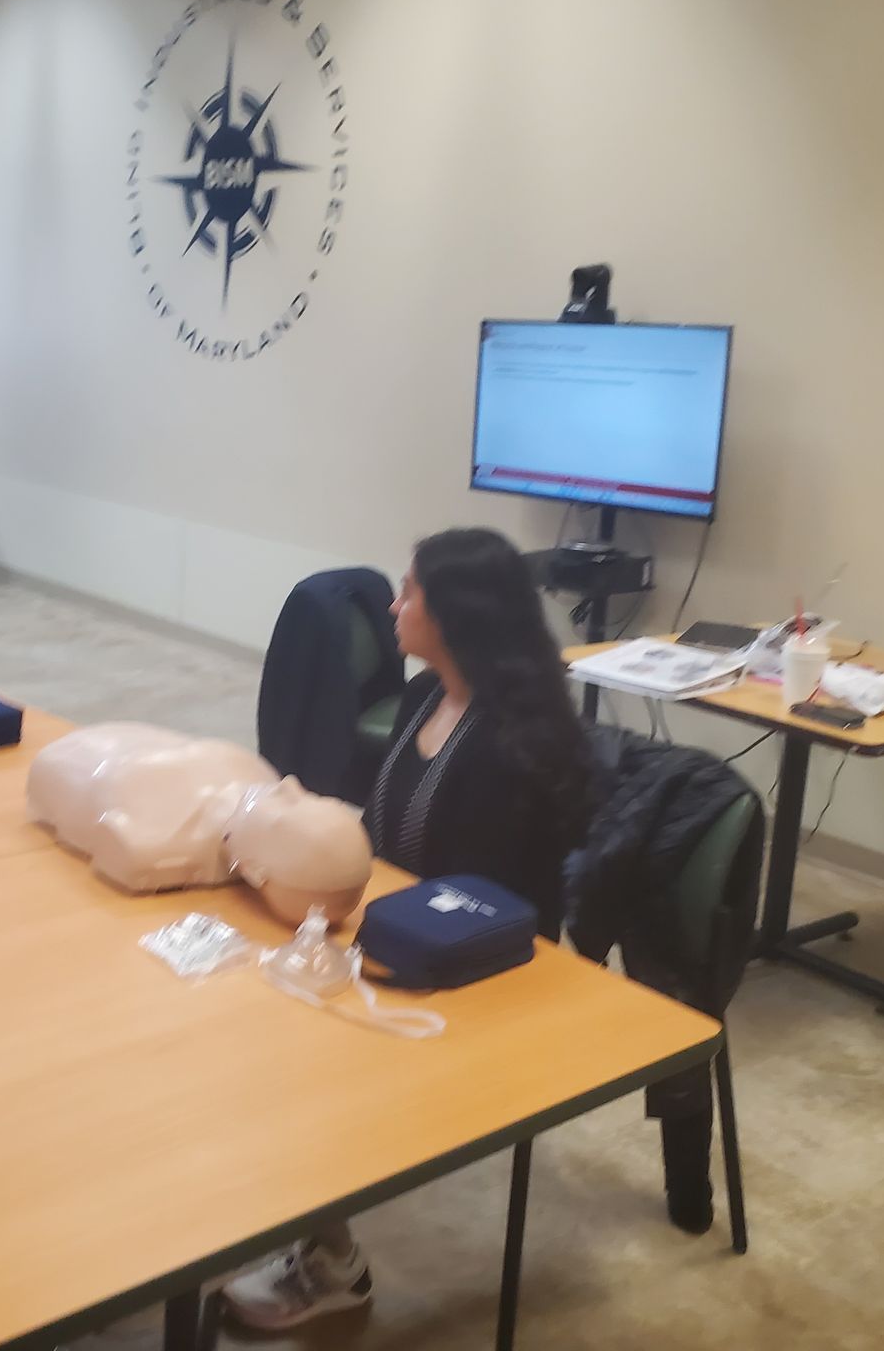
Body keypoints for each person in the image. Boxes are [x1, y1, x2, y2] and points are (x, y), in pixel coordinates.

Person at [223, 526, 596, 1333]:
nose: (393, 607)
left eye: (410, 593)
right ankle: (298, 1233)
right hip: (403, 934)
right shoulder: (426, 698)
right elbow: (391, 848)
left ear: (455, 612)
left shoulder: (516, 742)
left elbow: (481, 903)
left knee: (286, 1055)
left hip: (481, 976)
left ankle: (329, 1263)